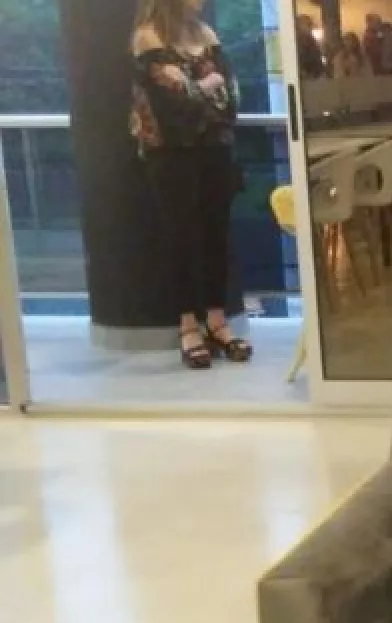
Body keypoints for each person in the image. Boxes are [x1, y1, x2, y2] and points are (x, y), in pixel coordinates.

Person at [130, 0, 252, 370]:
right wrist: (205, 88)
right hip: (170, 153)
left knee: (216, 233)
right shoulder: (148, 37)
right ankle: (188, 326)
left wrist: (195, 89)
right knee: (180, 236)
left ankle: (217, 321)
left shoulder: (206, 34)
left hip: (215, 148)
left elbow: (231, 96)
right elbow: (169, 106)